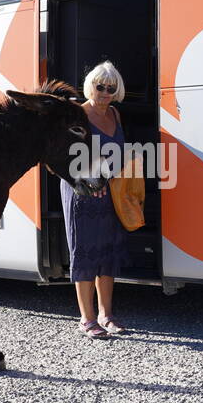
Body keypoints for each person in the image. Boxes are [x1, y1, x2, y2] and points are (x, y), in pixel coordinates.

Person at [61, 61, 130, 338]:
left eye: (110, 88)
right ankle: (87, 318)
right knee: (86, 252)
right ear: (91, 84)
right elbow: (65, 155)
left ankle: (106, 314)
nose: (104, 92)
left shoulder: (115, 114)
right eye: (100, 86)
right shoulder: (77, 115)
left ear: (116, 91)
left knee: (107, 252)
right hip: (83, 192)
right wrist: (90, 180)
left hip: (110, 191)